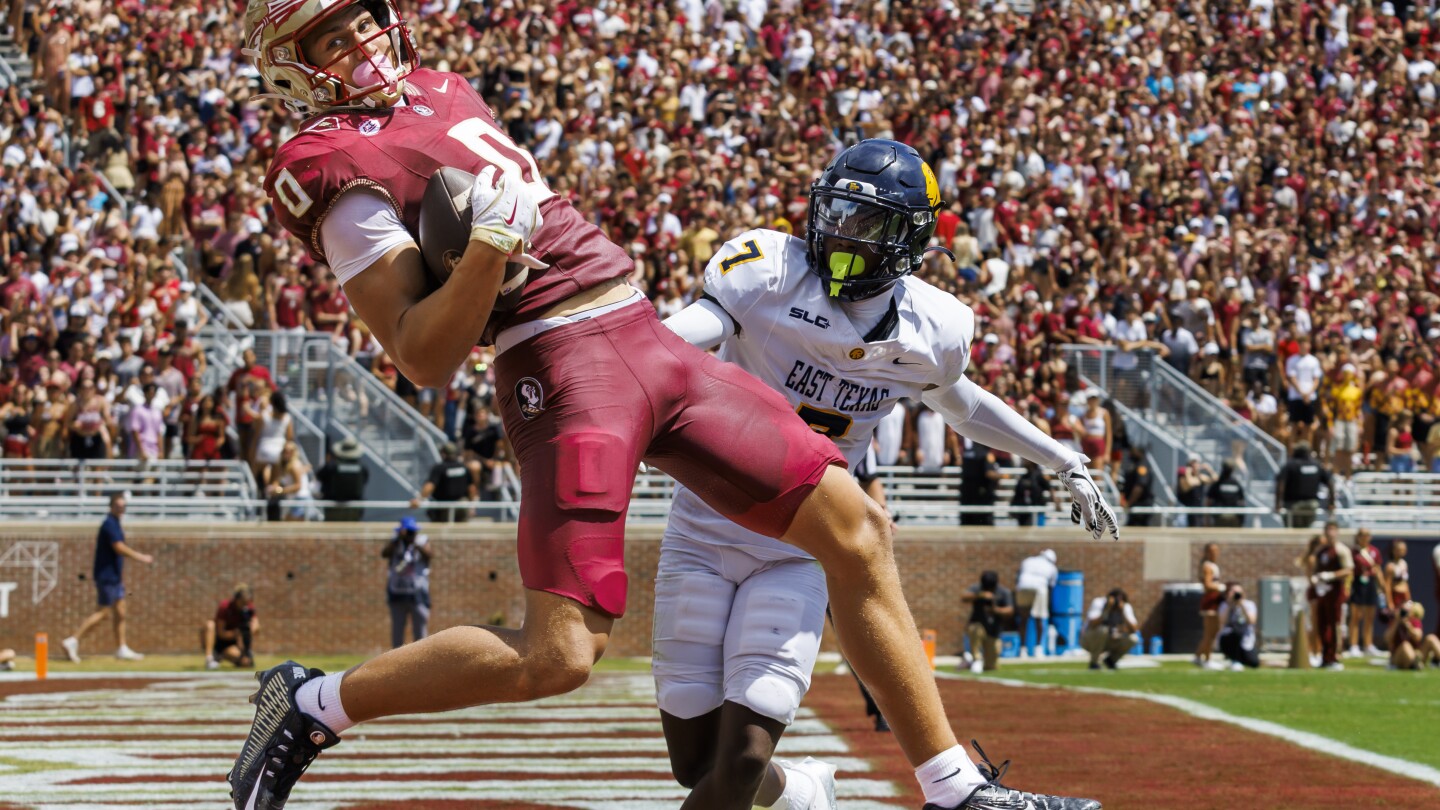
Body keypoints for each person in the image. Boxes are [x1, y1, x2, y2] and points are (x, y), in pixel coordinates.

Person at [229, 9, 1113, 810]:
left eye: (362, 23)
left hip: (640, 328)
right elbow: (421, 354)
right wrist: (490, 252)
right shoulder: (328, 171)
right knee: (561, 657)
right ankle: (311, 704)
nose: (362, 46)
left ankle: (955, 792)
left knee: (856, 526)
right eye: (331, 42)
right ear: (295, 70)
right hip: (562, 367)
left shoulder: (440, 86)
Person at [652, 140, 1118, 810]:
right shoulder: (768, 273)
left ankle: (918, 786)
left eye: (867, 222)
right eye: (838, 210)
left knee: (745, 754)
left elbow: (963, 406)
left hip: (800, 546)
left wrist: (1060, 456)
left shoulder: (935, 328)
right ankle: (801, 792)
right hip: (703, 527)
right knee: (697, 764)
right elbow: (677, 339)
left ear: (909, 240)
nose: (843, 232)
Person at [61, 493, 154, 663]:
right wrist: (141, 557)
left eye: (123, 506)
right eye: (118, 506)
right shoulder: (109, 524)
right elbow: (118, 547)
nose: (121, 509)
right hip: (107, 576)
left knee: (121, 611)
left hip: (115, 577)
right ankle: (73, 640)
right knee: (103, 612)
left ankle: (121, 647)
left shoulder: (116, 524)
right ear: (111, 506)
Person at [1309, 522, 1354, 670]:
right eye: (1327, 530)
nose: (1329, 533)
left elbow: (1348, 570)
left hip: (1335, 592)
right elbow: (1315, 568)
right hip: (1323, 591)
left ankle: (1333, 657)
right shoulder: (1321, 551)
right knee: (1322, 624)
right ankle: (1324, 656)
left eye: (1332, 530)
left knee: (1334, 625)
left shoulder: (1341, 550)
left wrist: (1331, 575)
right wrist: (1316, 579)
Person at [382, 517, 431, 649]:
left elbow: (429, 555)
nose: (408, 534)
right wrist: (398, 539)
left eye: (411, 531)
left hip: (418, 593)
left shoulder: (421, 542)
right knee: (397, 632)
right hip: (397, 592)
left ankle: (421, 659)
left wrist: (414, 543)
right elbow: (384, 553)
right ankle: (396, 662)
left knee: (420, 632)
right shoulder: (396, 543)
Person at [961, 571, 1015, 674]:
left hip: (994, 631)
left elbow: (1010, 610)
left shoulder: (1003, 592)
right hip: (979, 626)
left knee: (991, 667)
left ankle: (969, 662)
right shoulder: (978, 589)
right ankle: (976, 659)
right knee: (974, 628)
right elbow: (963, 597)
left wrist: (996, 610)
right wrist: (979, 596)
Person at [410, 441, 475, 523]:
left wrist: (419, 500)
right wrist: (472, 507)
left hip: (444, 508)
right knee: (460, 531)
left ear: (443, 454)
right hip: (462, 507)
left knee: (444, 531)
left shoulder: (439, 468)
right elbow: (472, 489)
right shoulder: (463, 467)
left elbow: (430, 486)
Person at [1346, 529, 1386, 658]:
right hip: (1358, 584)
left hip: (1370, 584)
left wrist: (1383, 586)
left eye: (1367, 535)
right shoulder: (1353, 552)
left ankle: (1368, 645)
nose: (1365, 537)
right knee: (1356, 616)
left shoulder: (1374, 551)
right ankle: (1353, 645)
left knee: (1370, 616)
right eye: (1363, 535)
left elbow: (1378, 569)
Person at [1276, 441, 1334, 528]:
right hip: (1312, 506)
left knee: (1293, 532)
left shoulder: (1290, 465)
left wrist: (1277, 504)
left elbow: (1281, 484)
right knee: (1306, 531)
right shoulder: (1316, 465)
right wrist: (1331, 503)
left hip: (1293, 506)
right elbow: (1330, 483)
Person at [1080, 589, 1140, 670]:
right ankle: (1094, 662)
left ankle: (1111, 660)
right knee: (1103, 630)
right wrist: (1107, 609)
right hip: (1090, 640)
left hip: (1111, 640)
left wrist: (1122, 612)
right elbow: (1092, 624)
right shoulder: (1099, 603)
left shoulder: (1125, 606)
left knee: (1133, 638)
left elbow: (1134, 629)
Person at [1014, 549, 1059, 654]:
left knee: (1023, 619)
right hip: (1040, 588)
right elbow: (1051, 587)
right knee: (1039, 619)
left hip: (1023, 586)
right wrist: (1049, 605)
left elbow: (1018, 576)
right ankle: (1038, 648)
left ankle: (1022, 649)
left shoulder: (1028, 560)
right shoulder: (1052, 568)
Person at [205, 584, 260, 670]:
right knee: (210, 624)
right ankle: (209, 659)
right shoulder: (225, 606)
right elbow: (220, 633)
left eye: (246, 602)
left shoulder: (248, 608)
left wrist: (251, 629)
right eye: (242, 602)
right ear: (236, 599)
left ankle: (224, 656)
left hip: (232, 644)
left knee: (244, 662)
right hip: (218, 640)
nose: (244, 605)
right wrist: (235, 633)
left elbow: (256, 627)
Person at [315, 437, 369, 521]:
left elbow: (319, 476)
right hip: (354, 509)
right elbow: (365, 481)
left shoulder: (331, 466)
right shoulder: (362, 468)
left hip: (332, 508)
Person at [1195, 543, 1225, 670]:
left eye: (1216, 550)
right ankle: (1207, 659)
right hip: (1210, 600)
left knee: (1214, 631)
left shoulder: (1213, 565)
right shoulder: (1207, 566)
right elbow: (1207, 585)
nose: (1214, 553)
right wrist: (1221, 587)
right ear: (1207, 552)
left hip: (1215, 600)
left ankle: (1198, 656)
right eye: (1211, 551)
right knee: (1210, 632)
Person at [1216, 583, 1260, 670]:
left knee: (1254, 662)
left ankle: (1236, 660)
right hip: (1227, 638)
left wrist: (1241, 605)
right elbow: (1222, 621)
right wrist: (1230, 605)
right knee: (1236, 632)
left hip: (1246, 640)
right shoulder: (1224, 605)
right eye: (1233, 591)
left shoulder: (1249, 604)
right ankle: (1234, 660)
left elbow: (1251, 621)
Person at [1386, 602, 1439, 670]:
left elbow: (1418, 637)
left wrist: (1408, 626)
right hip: (1398, 656)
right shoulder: (1395, 621)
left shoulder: (1414, 621)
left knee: (1431, 638)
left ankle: (1417, 662)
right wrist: (1397, 622)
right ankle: (1414, 663)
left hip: (1416, 654)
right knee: (1405, 645)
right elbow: (1387, 639)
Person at [1121, 445, 1156, 526]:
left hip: (1141, 507)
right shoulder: (1135, 464)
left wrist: (1128, 503)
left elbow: (1139, 488)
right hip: (1136, 506)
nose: (1130, 453)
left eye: (1133, 450)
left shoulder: (1142, 466)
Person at [1206, 461, 1247, 527]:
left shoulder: (1217, 484)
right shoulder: (1236, 483)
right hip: (1230, 517)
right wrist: (1241, 520)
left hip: (1222, 517)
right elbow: (1242, 502)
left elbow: (1208, 502)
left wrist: (1207, 521)